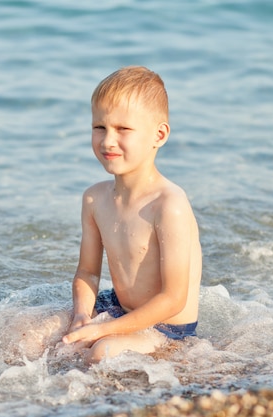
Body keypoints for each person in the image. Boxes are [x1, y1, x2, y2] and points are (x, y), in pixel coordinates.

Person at [62, 66, 203, 364]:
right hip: (118, 308)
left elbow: (173, 298)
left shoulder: (169, 204)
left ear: (159, 134)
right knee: (29, 335)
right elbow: (87, 273)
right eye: (99, 127)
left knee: (102, 352)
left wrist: (103, 332)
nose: (107, 141)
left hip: (168, 328)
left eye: (123, 129)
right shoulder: (94, 198)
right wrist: (81, 316)